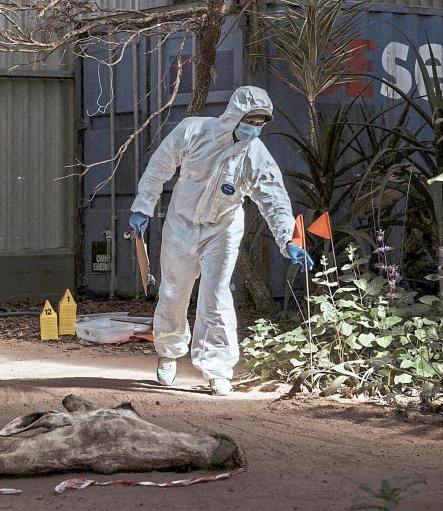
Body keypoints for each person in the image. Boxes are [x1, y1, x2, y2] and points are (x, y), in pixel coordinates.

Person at [128, 85, 312, 396]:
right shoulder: (194, 131)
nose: (253, 129)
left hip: (223, 229)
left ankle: (217, 368)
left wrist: (288, 240)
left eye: (259, 124)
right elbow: (160, 166)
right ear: (234, 115)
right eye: (249, 121)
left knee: (216, 294)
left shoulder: (255, 156)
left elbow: (274, 200)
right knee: (174, 290)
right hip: (181, 225)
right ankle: (169, 352)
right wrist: (143, 206)